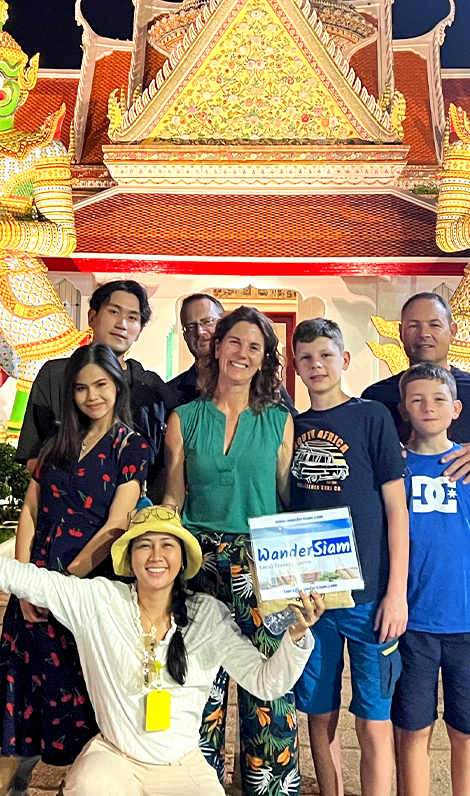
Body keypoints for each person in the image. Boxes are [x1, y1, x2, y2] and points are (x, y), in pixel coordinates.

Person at [0, 507, 326, 796]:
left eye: (167, 545)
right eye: (144, 545)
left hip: (183, 765)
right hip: (115, 761)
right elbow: (24, 579)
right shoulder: (100, 601)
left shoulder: (207, 615)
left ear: (182, 559)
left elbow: (267, 682)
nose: (156, 555)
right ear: (129, 559)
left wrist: (298, 637)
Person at [0, 343, 147, 795]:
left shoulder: (130, 447)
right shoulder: (57, 443)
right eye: (81, 388)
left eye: (101, 385)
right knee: (20, 704)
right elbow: (30, 512)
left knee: (88, 703)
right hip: (34, 590)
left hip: (87, 593)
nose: (92, 396)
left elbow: (118, 524)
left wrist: (62, 585)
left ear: (118, 386)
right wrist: (23, 583)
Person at [159, 305, 301, 793]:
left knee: (269, 685)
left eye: (254, 347)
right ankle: (197, 784)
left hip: (262, 563)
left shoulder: (280, 422)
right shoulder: (183, 420)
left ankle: (271, 787)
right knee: (198, 681)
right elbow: (174, 495)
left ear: (264, 360)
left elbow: (286, 498)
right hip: (198, 561)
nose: (242, 353)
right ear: (216, 347)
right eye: (234, 342)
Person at [286, 318, 409, 796]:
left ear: (345, 360)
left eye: (325, 356)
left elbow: (396, 511)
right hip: (314, 600)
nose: (316, 366)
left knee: (374, 721)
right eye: (306, 358)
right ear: (294, 366)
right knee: (319, 715)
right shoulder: (291, 427)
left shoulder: (371, 417)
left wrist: (395, 593)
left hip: (370, 598)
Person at [391, 363, 470, 796]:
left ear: (455, 408)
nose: (428, 407)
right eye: (417, 399)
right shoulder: (394, 467)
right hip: (413, 624)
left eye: (439, 399)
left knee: (469, 730)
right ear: (404, 408)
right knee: (413, 729)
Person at [360, 292, 470, 496]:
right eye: (414, 325)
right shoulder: (375, 399)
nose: (424, 333)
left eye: (434, 325)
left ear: (452, 331)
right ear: (400, 332)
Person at [17, 280, 172, 486]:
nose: (122, 324)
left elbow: (163, 464)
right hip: (65, 506)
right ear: (92, 317)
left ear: (140, 330)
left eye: (132, 317)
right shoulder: (55, 375)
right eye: (114, 312)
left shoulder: (151, 387)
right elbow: (34, 456)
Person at [164, 293, 224, 405]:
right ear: (185, 336)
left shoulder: (246, 385)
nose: (200, 332)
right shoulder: (170, 394)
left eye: (207, 322)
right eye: (191, 327)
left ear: (223, 325)